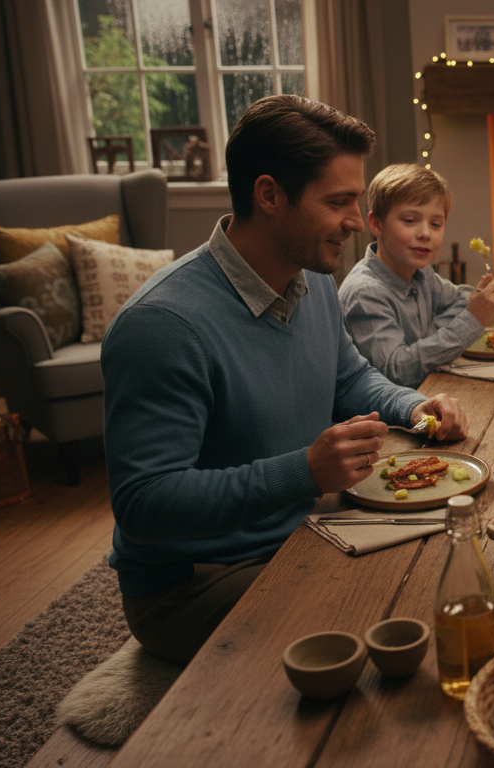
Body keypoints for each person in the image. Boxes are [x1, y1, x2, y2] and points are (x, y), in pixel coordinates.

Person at [101, 95, 469, 665]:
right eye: (338, 202)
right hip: (195, 583)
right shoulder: (162, 326)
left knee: (449, 559)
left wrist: (414, 406)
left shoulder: (310, 277)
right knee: (401, 609)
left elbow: (349, 378)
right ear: (269, 195)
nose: (357, 221)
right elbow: (143, 504)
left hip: (305, 526)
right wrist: (304, 472)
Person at [339, 164, 494, 388]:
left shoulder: (420, 273)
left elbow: (463, 298)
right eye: (410, 220)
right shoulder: (365, 292)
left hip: (429, 393)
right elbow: (395, 373)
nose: (425, 233)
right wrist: (471, 321)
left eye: (436, 224)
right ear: (376, 224)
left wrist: (433, 335)